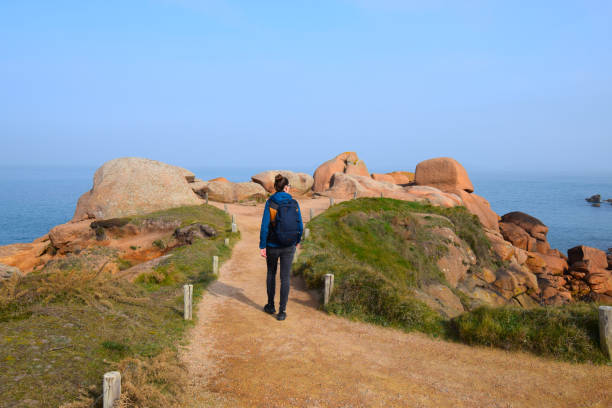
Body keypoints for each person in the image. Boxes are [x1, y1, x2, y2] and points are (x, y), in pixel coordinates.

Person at [259, 174, 303, 321]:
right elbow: (300, 225)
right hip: (289, 245)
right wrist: (296, 240)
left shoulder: (270, 203)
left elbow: (265, 226)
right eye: (289, 186)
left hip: (272, 245)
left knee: (271, 274)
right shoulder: (294, 203)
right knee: (285, 278)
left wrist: (262, 245)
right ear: (285, 187)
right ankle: (282, 311)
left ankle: (270, 306)